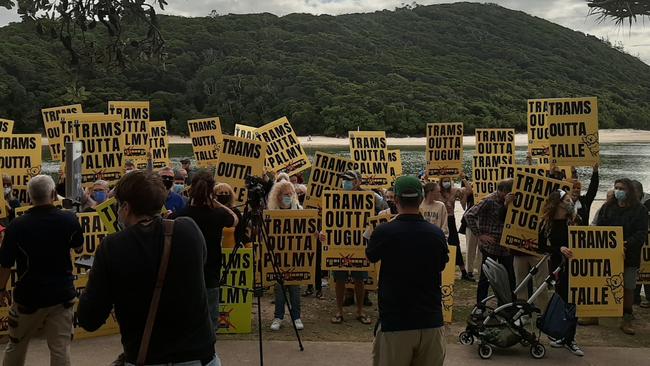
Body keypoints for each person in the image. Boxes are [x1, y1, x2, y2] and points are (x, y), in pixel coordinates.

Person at [78, 170, 219, 365]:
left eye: (119, 206)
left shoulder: (113, 246)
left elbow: (89, 319)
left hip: (149, 357)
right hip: (201, 358)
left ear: (126, 207)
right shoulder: (188, 229)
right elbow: (199, 265)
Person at [0, 175, 83, 366]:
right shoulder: (69, 220)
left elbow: (5, 264)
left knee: (16, 345)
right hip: (62, 296)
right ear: (54, 194)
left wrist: (1, 289)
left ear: (30, 197)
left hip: (28, 297)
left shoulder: (16, 226)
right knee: (60, 349)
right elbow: (78, 247)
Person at [367, 175, 448, 366]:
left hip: (396, 322)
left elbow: (370, 256)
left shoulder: (384, 231)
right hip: (431, 321)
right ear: (421, 199)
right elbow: (442, 264)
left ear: (395, 200)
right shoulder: (436, 234)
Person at [171, 171, 238, 330]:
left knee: (187, 318)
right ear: (211, 191)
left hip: (186, 274)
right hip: (211, 273)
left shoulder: (181, 214)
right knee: (210, 320)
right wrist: (217, 203)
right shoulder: (218, 213)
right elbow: (234, 220)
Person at [585, 178, 648, 335]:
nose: (618, 191)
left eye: (622, 188)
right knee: (601, 284)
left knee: (628, 287)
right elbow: (599, 228)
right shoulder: (608, 207)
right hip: (607, 254)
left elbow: (641, 234)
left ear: (630, 191)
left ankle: (626, 319)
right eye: (616, 187)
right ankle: (594, 315)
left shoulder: (639, 210)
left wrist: (626, 243)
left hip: (629, 255)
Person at [537, 189, 583, 355]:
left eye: (570, 200)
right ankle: (561, 334)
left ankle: (570, 339)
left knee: (573, 302)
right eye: (567, 200)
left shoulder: (574, 220)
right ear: (558, 203)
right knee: (562, 300)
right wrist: (559, 249)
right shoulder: (546, 223)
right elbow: (541, 246)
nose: (570, 202)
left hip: (576, 267)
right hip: (558, 267)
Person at [331, 170, 375, 324]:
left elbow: (380, 211)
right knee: (340, 278)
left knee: (360, 278)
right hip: (340, 242)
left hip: (360, 243)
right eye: (344, 180)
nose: (345, 183)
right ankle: (339, 310)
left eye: (349, 180)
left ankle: (360, 311)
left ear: (358, 182)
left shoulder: (368, 196)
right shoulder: (335, 196)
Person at [465, 179, 515, 306]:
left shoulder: (512, 202)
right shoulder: (489, 200)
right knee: (486, 277)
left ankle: (505, 305)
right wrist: (480, 235)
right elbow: (469, 215)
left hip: (505, 247)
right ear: (503, 191)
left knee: (509, 277)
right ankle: (480, 306)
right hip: (491, 246)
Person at [267, 181, 305, 331]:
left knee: (295, 287)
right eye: (286, 194)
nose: (289, 197)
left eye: (291, 194)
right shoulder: (271, 212)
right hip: (278, 255)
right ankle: (278, 317)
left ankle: (296, 317)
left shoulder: (300, 210)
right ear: (278, 196)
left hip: (295, 254)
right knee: (280, 288)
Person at [439, 174, 474, 281]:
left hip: (450, 219)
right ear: (440, 183)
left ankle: (463, 272)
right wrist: (426, 179)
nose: (446, 183)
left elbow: (469, 191)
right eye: (444, 181)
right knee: (439, 244)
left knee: (455, 243)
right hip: (440, 220)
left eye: (447, 181)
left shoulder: (454, 191)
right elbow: (426, 192)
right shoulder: (437, 192)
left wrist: (463, 178)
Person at [630, 180, 650, 307]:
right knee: (635, 271)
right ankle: (635, 298)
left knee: (647, 271)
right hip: (636, 243)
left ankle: (648, 298)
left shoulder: (648, 202)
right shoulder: (628, 203)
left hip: (647, 243)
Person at [214, 183, 247, 248]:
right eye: (221, 193)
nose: (224, 195)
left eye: (226, 193)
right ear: (214, 195)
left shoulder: (235, 212)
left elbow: (240, 230)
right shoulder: (212, 211)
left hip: (231, 248)